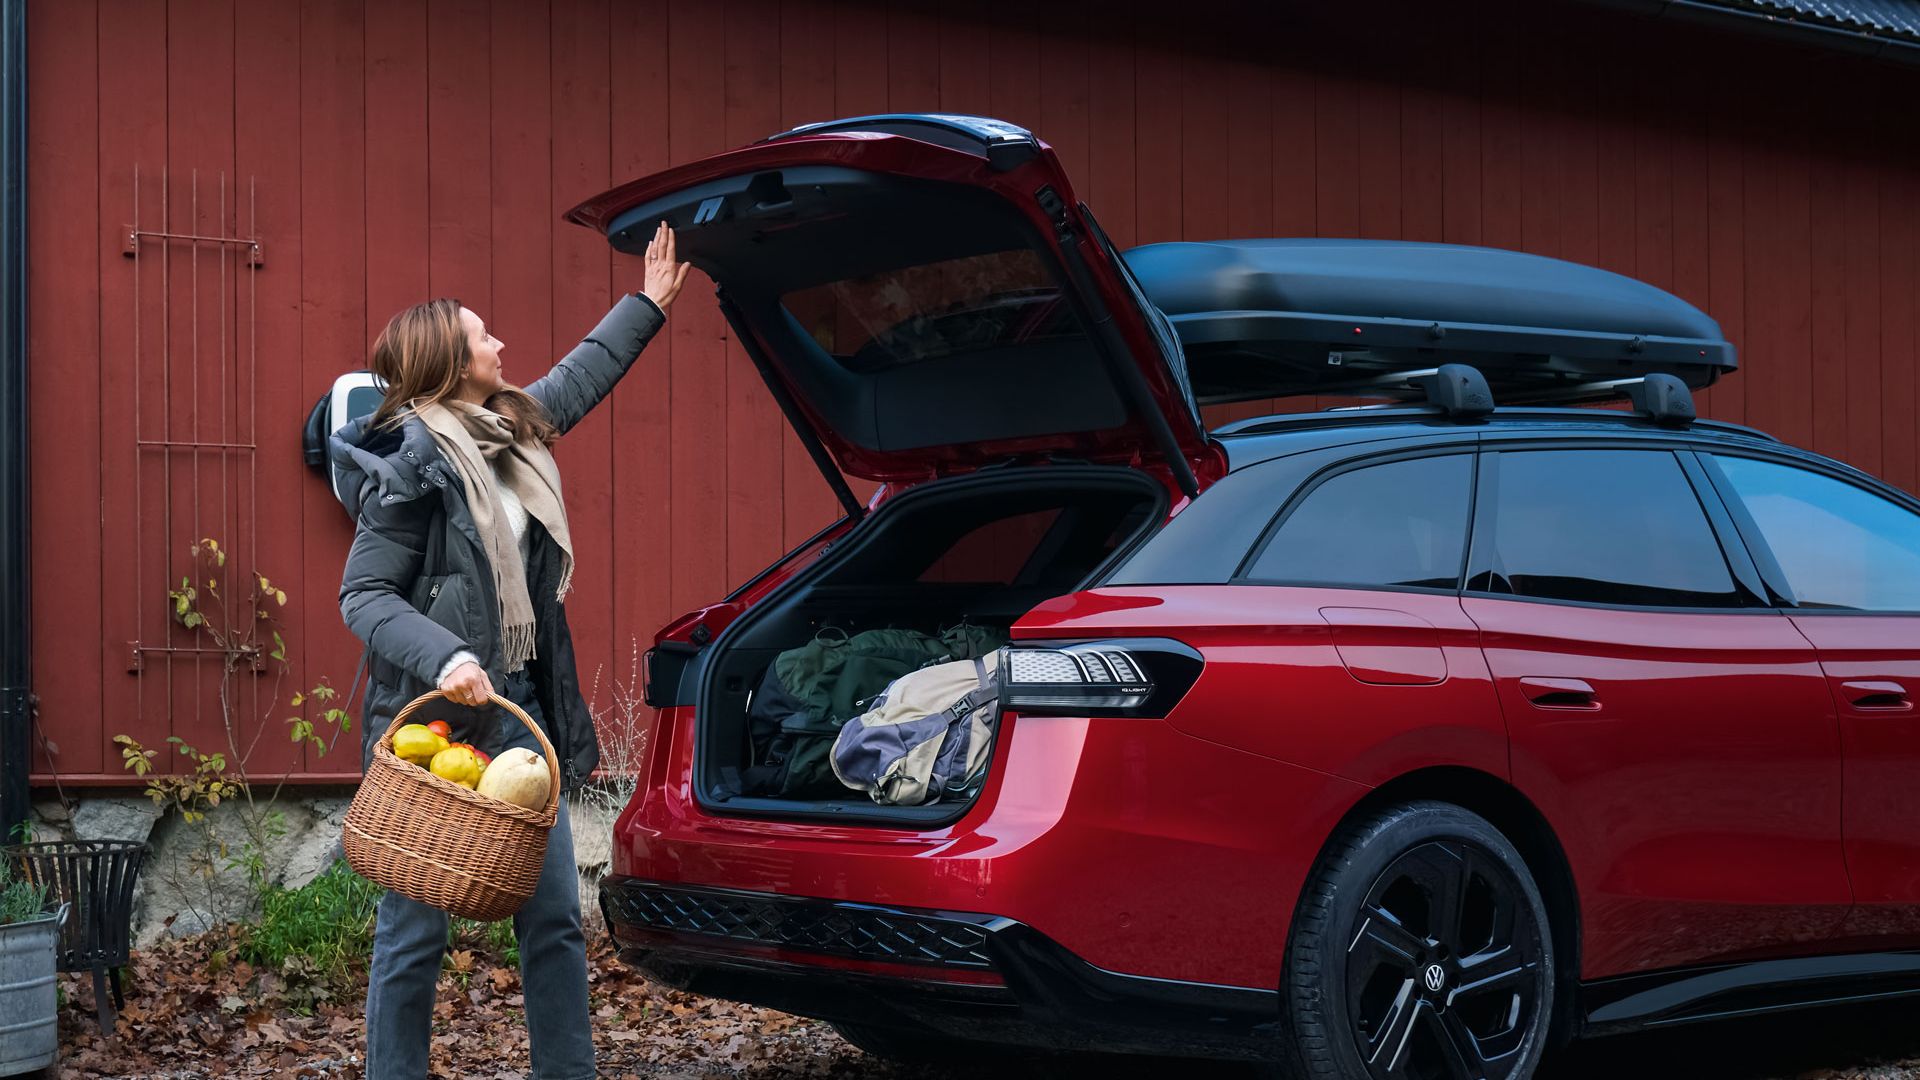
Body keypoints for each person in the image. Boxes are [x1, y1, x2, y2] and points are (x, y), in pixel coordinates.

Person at [331, 222, 690, 1079]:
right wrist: (447, 655)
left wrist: (647, 304)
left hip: (521, 711)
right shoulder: (409, 468)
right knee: (415, 932)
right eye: (483, 336)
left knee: (556, 919)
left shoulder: (512, 432)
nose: (500, 344)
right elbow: (363, 595)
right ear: (451, 366)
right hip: (440, 728)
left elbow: (577, 378)